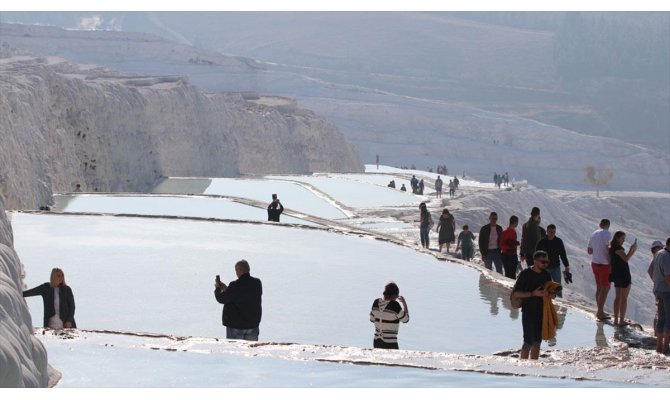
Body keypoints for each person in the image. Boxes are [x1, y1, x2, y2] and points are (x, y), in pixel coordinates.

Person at [512, 250, 555, 360]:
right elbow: (516, 293)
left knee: (537, 342)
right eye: (543, 262)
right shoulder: (525, 274)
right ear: (535, 261)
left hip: (542, 312)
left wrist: (549, 294)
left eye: (547, 262)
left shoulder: (546, 274)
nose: (545, 264)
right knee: (528, 341)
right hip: (528, 311)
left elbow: (552, 294)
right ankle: (523, 365)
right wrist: (533, 293)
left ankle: (533, 366)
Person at [214, 259, 263, 341]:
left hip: (236, 327)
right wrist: (227, 289)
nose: (236, 272)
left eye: (236, 270)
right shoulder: (257, 283)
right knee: (251, 352)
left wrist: (218, 289)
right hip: (253, 325)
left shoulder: (235, 285)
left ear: (239, 270)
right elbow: (243, 295)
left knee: (236, 352)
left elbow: (222, 299)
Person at [369, 282, 409, 349]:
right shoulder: (395, 305)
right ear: (395, 295)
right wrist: (404, 303)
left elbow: (372, 319)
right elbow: (406, 319)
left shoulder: (376, 303)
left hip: (377, 341)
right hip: (390, 343)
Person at [608, 231, 637, 327]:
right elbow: (626, 258)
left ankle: (616, 319)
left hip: (616, 274)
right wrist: (632, 250)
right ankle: (621, 320)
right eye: (622, 238)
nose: (624, 240)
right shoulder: (618, 248)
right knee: (624, 298)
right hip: (623, 274)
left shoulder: (611, 248)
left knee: (618, 297)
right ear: (617, 238)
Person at [587, 219, 613, 321]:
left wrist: (597, 251)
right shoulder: (607, 234)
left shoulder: (594, 233)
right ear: (608, 225)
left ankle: (599, 310)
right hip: (604, 264)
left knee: (599, 287)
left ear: (600, 224)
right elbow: (608, 249)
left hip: (595, 263)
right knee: (605, 288)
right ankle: (600, 312)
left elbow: (589, 251)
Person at [535, 224, 570, 298]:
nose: (552, 234)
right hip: (544, 268)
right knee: (544, 286)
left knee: (558, 286)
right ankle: (544, 301)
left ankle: (559, 301)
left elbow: (563, 254)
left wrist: (566, 265)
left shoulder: (559, 241)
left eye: (554, 232)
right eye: (550, 232)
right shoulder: (542, 242)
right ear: (547, 232)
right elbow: (536, 255)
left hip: (555, 267)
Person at [651, 237, 670, 354]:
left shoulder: (658, 253)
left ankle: (658, 347)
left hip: (658, 289)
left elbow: (651, 270)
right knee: (669, 319)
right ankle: (665, 348)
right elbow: (668, 277)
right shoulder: (667, 257)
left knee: (661, 318)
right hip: (667, 291)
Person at [648, 240, 665, 336]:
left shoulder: (656, 257)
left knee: (659, 309)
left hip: (658, 286)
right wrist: (656, 280)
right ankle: (658, 332)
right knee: (660, 310)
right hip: (662, 287)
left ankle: (657, 331)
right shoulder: (657, 257)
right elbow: (650, 271)